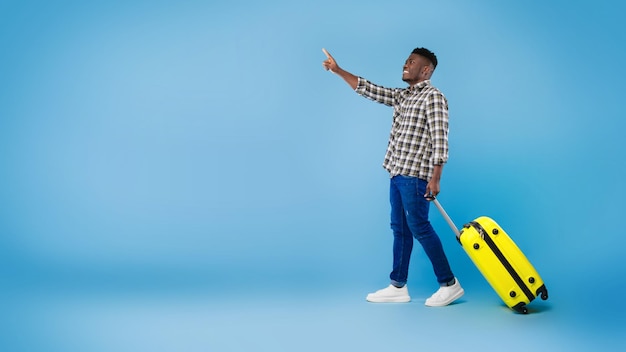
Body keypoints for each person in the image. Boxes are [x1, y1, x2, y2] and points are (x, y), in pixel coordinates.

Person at [321, 47, 464, 307]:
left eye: (412, 62)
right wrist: (337, 70)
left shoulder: (433, 97)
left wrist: (436, 178)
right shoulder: (402, 97)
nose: (405, 65)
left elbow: (440, 139)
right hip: (396, 172)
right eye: (406, 61)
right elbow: (369, 89)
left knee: (419, 227)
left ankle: (449, 284)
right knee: (400, 230)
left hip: (415, 176)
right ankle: (398, 286)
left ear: (426, 70)